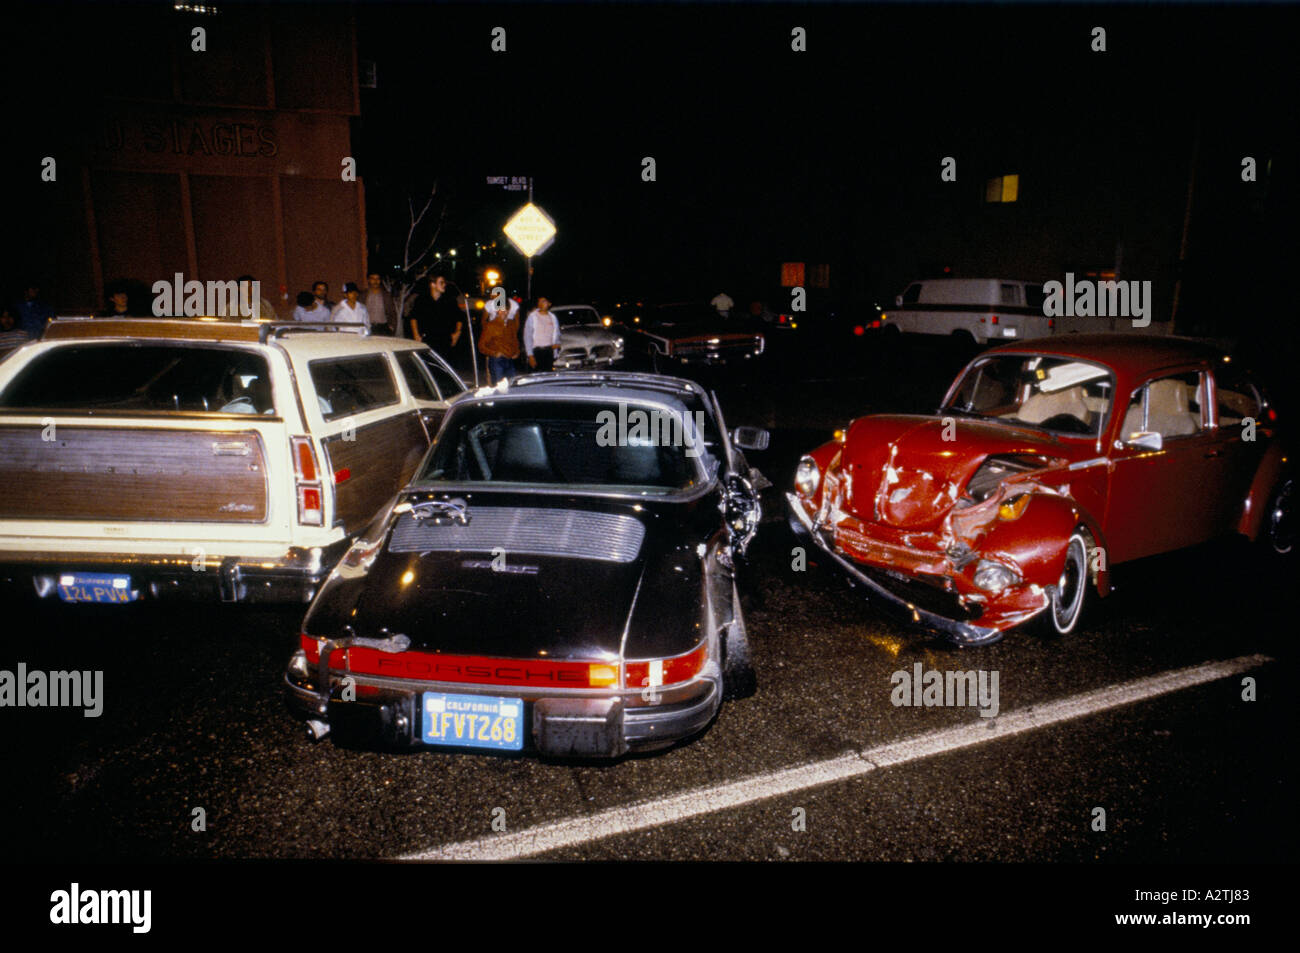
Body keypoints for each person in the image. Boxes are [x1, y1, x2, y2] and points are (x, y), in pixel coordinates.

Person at [408, 274, 462, 352]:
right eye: (441, 283)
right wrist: (416, 335)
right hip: (427, 339)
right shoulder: (422, 300)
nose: (444, 285)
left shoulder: (450, 300)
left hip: (445, 340)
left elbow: (459, 318)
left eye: (444, 283)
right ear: (433, 284)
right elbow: (413, 318)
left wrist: (457, 333)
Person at [479, 291, 521, 384]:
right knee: (498, 388)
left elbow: (515, 340)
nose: (504, 313)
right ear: (497, 310)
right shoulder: (491, 326)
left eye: (506, 310)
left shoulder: (511, 324)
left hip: (509, 359)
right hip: (497, 361)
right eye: (501, 310)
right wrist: (494, 353)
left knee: (512, 386)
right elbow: (481, 346)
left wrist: (517, 352)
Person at [524, 295, 561, 371]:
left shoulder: (553, 317)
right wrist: (530, 355)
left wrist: (557, 344)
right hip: (537, 352)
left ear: (549, 304)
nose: (541, 303)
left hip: (549, 351)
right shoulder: (533, 317)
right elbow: (527, 336)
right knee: (536, 377)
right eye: (539, 302)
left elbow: (557, 333)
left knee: (548, 377)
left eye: (544, 301)